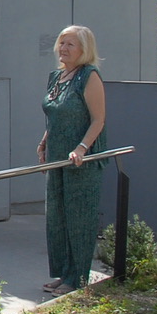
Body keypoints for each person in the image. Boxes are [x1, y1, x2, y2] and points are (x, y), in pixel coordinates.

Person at [38, 25, 107, 297]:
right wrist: (44, 141)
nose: (64, 49)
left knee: (79, 217)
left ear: (84, 50)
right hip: (56, 157)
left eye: (71, 45)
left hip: (80, 160)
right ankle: (63, 272)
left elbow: (98, 119)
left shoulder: (89, 76)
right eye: (62, 43)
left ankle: (77, 277)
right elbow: (55, 115)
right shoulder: (56, 76)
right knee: (57, 217)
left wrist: (81, 148)